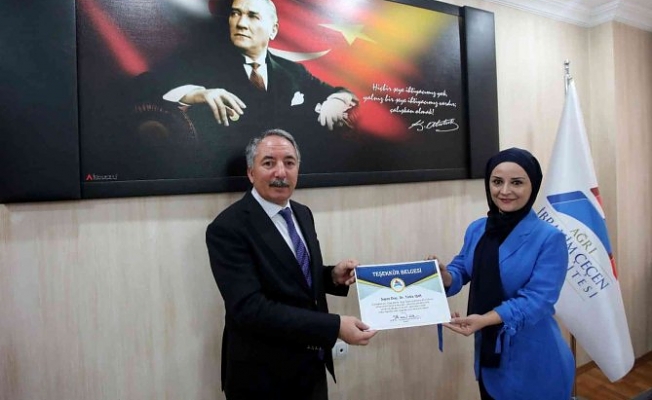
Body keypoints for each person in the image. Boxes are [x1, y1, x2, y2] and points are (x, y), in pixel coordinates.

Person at [205, 128, 376, 399]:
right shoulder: (227, 228)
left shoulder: (302, 213)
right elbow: (250, 308)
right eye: (269, 163)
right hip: (262, 377)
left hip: (311, 370)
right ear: (251, 172)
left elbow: (293, 274)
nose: (281, 172)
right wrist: (334, 327)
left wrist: (331, 276)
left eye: (289, 162)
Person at [432, 148, 574, 399]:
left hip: (533, 359)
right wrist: (445, 276)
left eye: (516, 182)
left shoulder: (549, 238)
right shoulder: (478, 228)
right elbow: (463, 267)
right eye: (497, 182)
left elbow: (537, 300)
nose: (504, 191)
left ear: (533, 186)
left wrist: (484, 320)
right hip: (489, 356)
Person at [152, 0, 356, 132]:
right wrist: (197, 94)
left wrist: (336, 102)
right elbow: (150, 87)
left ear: (273, 30)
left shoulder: (293, 71)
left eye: (252, 16)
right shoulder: (202, 62)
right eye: (235, 13)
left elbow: (343, 93)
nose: (240, 23)